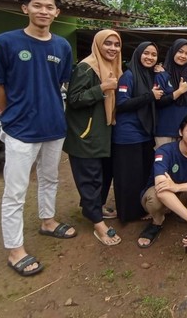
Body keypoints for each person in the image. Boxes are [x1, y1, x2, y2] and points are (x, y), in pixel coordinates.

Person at [0, 0, 75, 277]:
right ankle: (15, 250)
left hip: (53, 126)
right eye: (37, 5)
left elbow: (61, 83)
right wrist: (10, 112)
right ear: (26, 8)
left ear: (57, 13)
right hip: (21, 129)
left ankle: (48, 222)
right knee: (15, 191)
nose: (44, 11)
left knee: (50, 179)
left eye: (50, 7)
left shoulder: (62, 46)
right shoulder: (5, 42)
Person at [64, 29, 123, 246]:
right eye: (108, 43)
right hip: (85, 134)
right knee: (90, 177)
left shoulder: (112, 68)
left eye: (116, 45)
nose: (113, 48)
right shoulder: (86, 67)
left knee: (103, 174)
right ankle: (97, 223)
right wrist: (103, 88)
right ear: (98, 44)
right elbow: (74, 99)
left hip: (103, 132)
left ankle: (94, 207)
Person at [137, 113, 187, 249]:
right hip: (159, 196)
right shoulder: (165, 151)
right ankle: (157, 222)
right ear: (181, 132)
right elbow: (163, 190)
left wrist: (177, 187)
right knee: (155, 196)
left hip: (180, 192)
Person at [112, 42, 163, 222]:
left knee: (142, 174)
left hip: (145, 133)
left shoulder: (150, 76)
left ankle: (140, 210)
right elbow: (122, 103)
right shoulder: (129, 75)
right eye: (146, 53)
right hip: (128, 135)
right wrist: (149, 96)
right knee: (128, 176)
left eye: (153, 54)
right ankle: (127, 214)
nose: (149, 57)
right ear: (138, 54)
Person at [154, 39, 187, 147]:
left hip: (185, 131)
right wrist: (179, 92)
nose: (183, 56)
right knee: (164, 162)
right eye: (180, 51)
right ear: (173, 52)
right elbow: (158, 102)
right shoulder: (162, 75)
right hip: (164, 131)